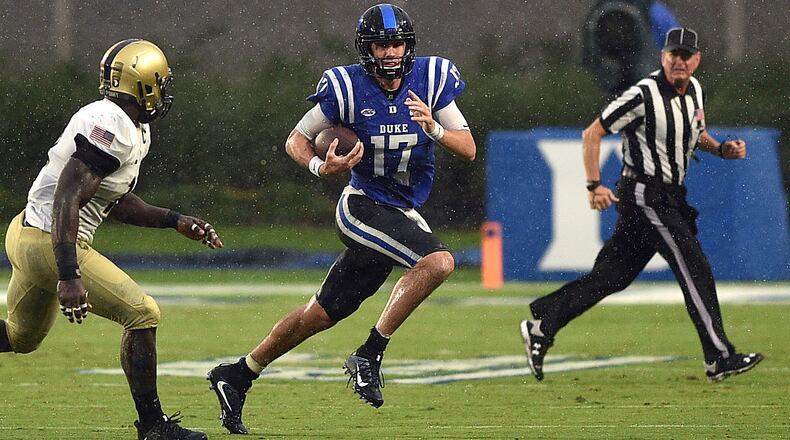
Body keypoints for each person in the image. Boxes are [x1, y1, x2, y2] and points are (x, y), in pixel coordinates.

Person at [207, 3, 476, 435]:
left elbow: (468, 148)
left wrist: (436, 129)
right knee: (438, 262)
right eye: (381, 44)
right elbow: (297, 138)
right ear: (365, 47)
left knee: (319, 315)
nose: (390, 52)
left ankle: (238, 373)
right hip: (363, 206)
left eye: (396, 43)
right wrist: (319, 167)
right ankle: (369, 353)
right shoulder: (346, 87)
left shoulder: (432, 80)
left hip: (401, 211)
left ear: (409, 46)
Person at [0, 39, 222, 440]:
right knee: (143, 313)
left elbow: (113, 201)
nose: (164, 91)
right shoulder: (112, 122)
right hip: (49, 242)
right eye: (161, 82)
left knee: (21, 337)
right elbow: (68, 195)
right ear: (146, 83)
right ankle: (154, 427)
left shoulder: (131, 127)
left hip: (27, 232)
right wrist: (69, 274)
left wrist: (174, 221)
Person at [519, 28, 763, 383]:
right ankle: (719, 357)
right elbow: (593, 132)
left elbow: (694, 133)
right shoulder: (643, 94)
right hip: (645, 195)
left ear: (697, 59)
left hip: (669, 197)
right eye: (673, 55)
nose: (679, 61)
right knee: (694, 267)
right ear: (663, 57)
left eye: (686, 55)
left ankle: (542, 327)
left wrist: (722, 149)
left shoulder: (694, 90)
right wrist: (593, 185)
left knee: (611, 277)